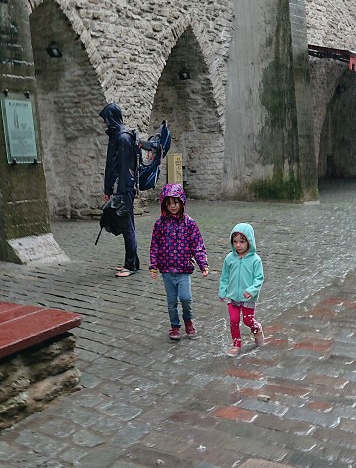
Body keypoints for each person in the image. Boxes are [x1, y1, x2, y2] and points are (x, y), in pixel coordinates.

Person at [149, 183, 209, 340]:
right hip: (167, 270)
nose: (173, 206)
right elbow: (154, 246)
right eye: (169, 203)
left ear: (182, 202)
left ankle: (188, 320)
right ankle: (174, 326)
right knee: (171, 301)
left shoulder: (189, 223)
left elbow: (197, 245)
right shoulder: (160, 224)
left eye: (176, 202)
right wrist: (153, 265)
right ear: (164, 204)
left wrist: (203, 264)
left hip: (183, 270)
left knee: (185, 298)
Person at [99, 103, 140, 277]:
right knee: (127, 225)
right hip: (121, 188)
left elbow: (123, 169)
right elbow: (112, 166)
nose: (104, 123)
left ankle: (131, 266)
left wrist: (118, 192)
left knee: (127, 226)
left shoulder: (122, 138)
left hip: (124, 188)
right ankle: (132, 262)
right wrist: (108, 189)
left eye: (105, 120)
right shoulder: (117, 136)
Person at [218, 222, 265, 357]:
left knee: (247, 320)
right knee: (233, 320)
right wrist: (223, 290)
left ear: (249, 242)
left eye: (242, 242)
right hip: (232, 296)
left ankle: (257, 329)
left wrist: (252, 290)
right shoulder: (229, 259)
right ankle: (236, 345)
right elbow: (225, 276)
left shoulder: (255, 260)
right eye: (235, 242)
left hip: (248, 297)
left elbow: (259, 278)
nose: (238, 245)